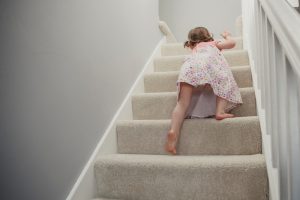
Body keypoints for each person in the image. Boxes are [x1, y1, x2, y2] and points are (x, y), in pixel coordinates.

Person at [165, 27, 243, 155]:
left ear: (190, 43)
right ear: (209, 37)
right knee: (223, 80)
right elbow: (232, 44)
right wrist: (227, 36)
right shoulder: (213, 43)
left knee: (182, 103)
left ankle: (173, 130)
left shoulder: (194, 49)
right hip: (207, 66)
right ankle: (220, 111)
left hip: (188, 67)